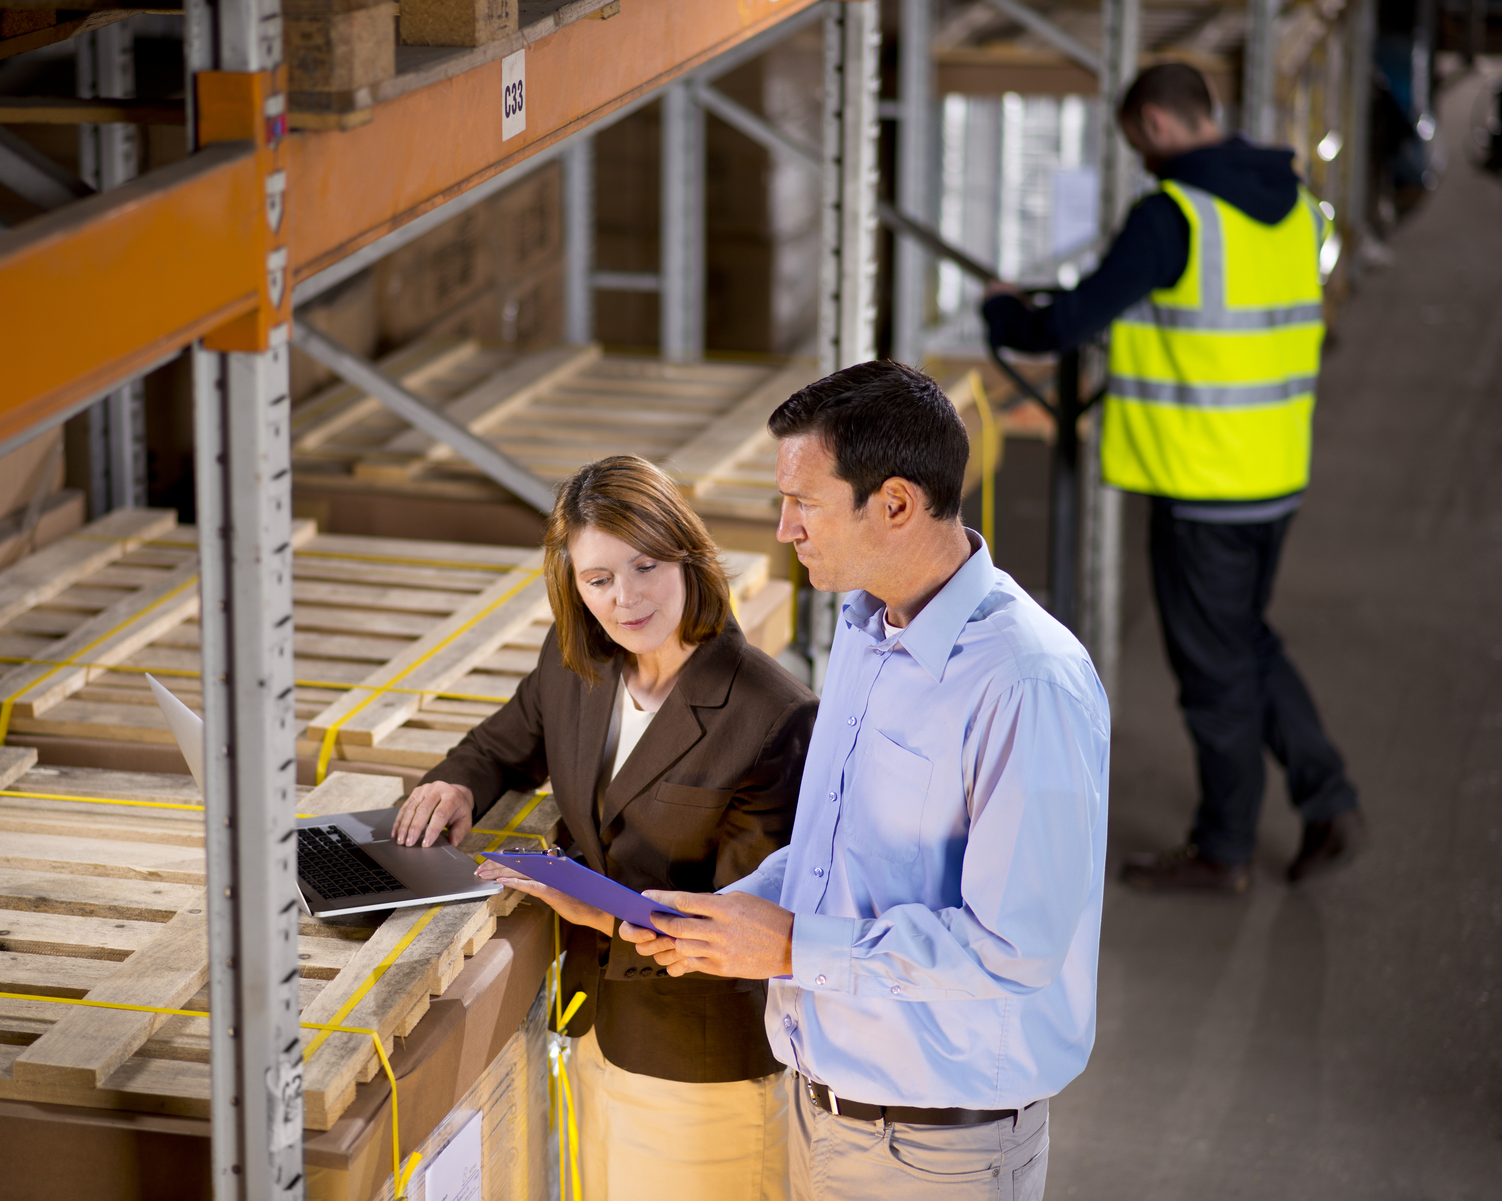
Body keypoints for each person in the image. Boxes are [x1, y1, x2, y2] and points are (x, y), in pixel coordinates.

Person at [621, 361, 1110, 1200]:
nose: (784, 529)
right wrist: (733, 912)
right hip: (826, 1114)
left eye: (804, 504)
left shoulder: (1026, 683)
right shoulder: (864, 629)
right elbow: (839, 855)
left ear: (894, 504)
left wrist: (783, 945)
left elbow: (1013, 949)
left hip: (937, 1152)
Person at [390, 454, 816, 1201]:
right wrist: (456, 782)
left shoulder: (771, 714)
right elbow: (501, 744)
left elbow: (743, 933)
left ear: (687, 555)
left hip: (702, 1067)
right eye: (599, 579)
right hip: (594, 1034)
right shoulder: (576, 664)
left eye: (645, 565)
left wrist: (596, 910)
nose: (626, 599)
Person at [981, 61, 1364, 891]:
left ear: (1154, 123)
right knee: (1243, 639)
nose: (1142, 160)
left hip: (1204, 486)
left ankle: (1225, 849)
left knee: (1213, 668)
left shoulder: (1173, 215)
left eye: (1136, 143)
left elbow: (1069, 323)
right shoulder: (1293, 206)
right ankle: (1328, 797)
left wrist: (1003, 312)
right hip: (1274, 472)